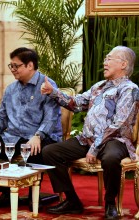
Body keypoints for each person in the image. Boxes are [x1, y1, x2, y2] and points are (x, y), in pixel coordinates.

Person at [41, 46, 139, 219]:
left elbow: (119, 124)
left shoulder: (129, 89)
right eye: (105, 58)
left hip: (114, 141)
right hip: (87, 139)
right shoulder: (99, 87)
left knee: (110, 158)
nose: (105, 62)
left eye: (109, 58)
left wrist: (95, 147)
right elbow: (76, 104)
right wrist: (53, 92)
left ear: (123, 64)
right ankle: (72, 201)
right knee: (50, 152)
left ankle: (110, 204)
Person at [0, 47, 63, 210]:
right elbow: (1, 118)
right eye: (11, 66)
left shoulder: (47, 85)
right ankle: (4, 193)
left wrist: (39, 135)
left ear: (30, 65)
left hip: (40, 137)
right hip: (13, 136)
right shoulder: (11, 89)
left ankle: (34, 197)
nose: (13, 70)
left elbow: (51, 117)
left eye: (16, 66)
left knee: (33, 148)